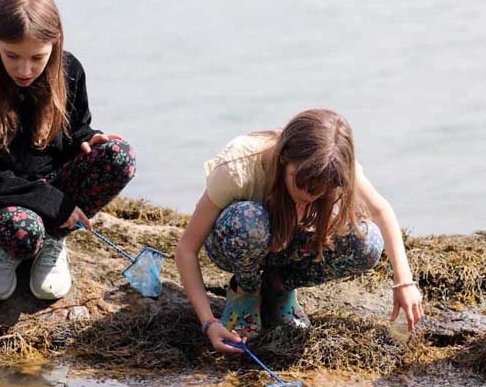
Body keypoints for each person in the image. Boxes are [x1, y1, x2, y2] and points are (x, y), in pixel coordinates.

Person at [175, 108, 422, 353]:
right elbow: (186, 249)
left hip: (287, 244)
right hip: (236, 242)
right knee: (249, 220)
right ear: (284, 158)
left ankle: (278, 287)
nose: (307, 195)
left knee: (368, 242)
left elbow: (380, 211)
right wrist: (209, 323)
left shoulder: (334, 164)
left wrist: (404, 282)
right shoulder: (238, 168)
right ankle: (246, 290)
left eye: (318, 191)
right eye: (300, 182)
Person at [0, 0, 135, 301]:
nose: (25, 70)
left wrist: (86, 140)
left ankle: (55, 237)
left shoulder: (70, 70)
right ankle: (7, 247)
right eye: (12, 56)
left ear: (56, 41)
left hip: (50, 191)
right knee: (25, 231)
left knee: (119, 156)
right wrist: (49, 201)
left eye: (37, 58)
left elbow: (76, 129)